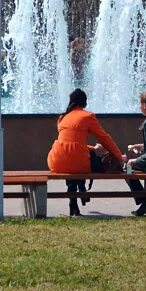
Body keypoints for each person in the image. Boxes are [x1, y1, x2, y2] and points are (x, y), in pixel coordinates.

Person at [46, 88, 125, 217]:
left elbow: (69, 143)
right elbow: (104, 138)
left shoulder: (62, 118)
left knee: (75, 159)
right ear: (85, 102)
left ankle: (73, 203)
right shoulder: (88, 116)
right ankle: (81, 190)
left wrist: (92, 148)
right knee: (80, 161)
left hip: (56, 161)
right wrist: (119, 157)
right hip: (78, 161)